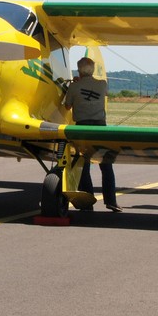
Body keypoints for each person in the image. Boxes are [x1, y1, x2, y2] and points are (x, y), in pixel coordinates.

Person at [62, 57, 121, 212]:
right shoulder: (102, 84)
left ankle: (87, 202)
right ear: (93, 70)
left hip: (82, 129)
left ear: (79, 70)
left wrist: (75, 84)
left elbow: (67, 106)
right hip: (100, 128)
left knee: (84, 165)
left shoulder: (74, 87)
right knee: (106, 164)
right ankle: (111, 201)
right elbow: (103, 93)